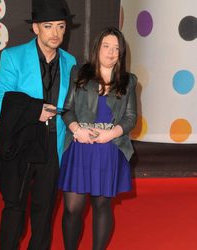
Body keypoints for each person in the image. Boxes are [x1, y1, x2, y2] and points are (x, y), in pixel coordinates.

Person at [0, 0, 76, 249]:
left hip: (53, 144)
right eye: (48, 26)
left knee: (44, 210)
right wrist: (34, 110)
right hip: (20, 142)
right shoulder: (14, 56)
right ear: (36, 28)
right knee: (14, 207)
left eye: (61, 26)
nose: (55, 33)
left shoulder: (71, 62)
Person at [58, 27, 137, 250]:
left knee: (102, 206)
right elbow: (67, 109)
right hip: (80, 145)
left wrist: (110, 134)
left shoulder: (128, 81)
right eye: (106, 46)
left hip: (108, 148)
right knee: (73, 208)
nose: (111, 53)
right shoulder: (79, 73)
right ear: (97, 48)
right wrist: (76, 130)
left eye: (116, 48)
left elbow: (131, 118)